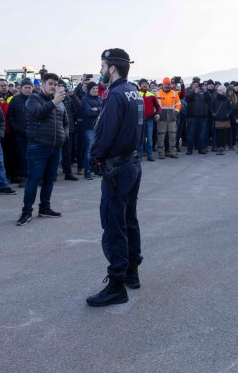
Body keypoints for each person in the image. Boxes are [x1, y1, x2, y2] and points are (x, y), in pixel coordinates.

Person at [86, 48, 143, 307]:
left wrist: (95, 157)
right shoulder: (135, 92)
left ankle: (117, 283)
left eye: (102, 66)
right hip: (132, 162)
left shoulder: (116, 95)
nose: (100, 70)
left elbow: (105, 132)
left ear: (111, 68)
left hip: (117, 167)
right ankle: (132, 271)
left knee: (113, 223)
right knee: (128, 219)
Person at [16, 73, 68, 226]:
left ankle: (45, 208)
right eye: (50, 83)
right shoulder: (33, 99)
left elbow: (65, 121)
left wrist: (63, 135)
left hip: (55, 146)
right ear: (43, 85)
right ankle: (26, 212)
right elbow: (38, 113)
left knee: (49, 180)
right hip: (38, 146)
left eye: (55, 84)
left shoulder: (60, 102)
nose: (53, 86)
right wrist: (54, 101)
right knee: (33, 180)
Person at [155, 77, 181, 159]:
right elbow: (155, 106)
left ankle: (172, 152)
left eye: (168, 84)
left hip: (172, 119)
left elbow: (179, 104)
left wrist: (175, 113)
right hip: (161, 119)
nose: (167, 85)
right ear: (163, 84)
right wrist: (156, 114)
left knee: (173, 136)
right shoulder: (157, 94)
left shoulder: (174, 93)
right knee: (161, 136)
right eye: (165, 84)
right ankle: (161, 153)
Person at [81, 82, 101, 180]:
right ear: (89, 89)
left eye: (96, 88)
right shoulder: (85, 99)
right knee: (89, 150)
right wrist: (99, 111)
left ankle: (97, 169)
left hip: (99, 128)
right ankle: (87, 171)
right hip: (89, 128)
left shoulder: (100, 98)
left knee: (98, 149)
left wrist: (97, 109)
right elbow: (88, 112)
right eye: (93, 88)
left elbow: (105, 109)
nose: (95, 90)